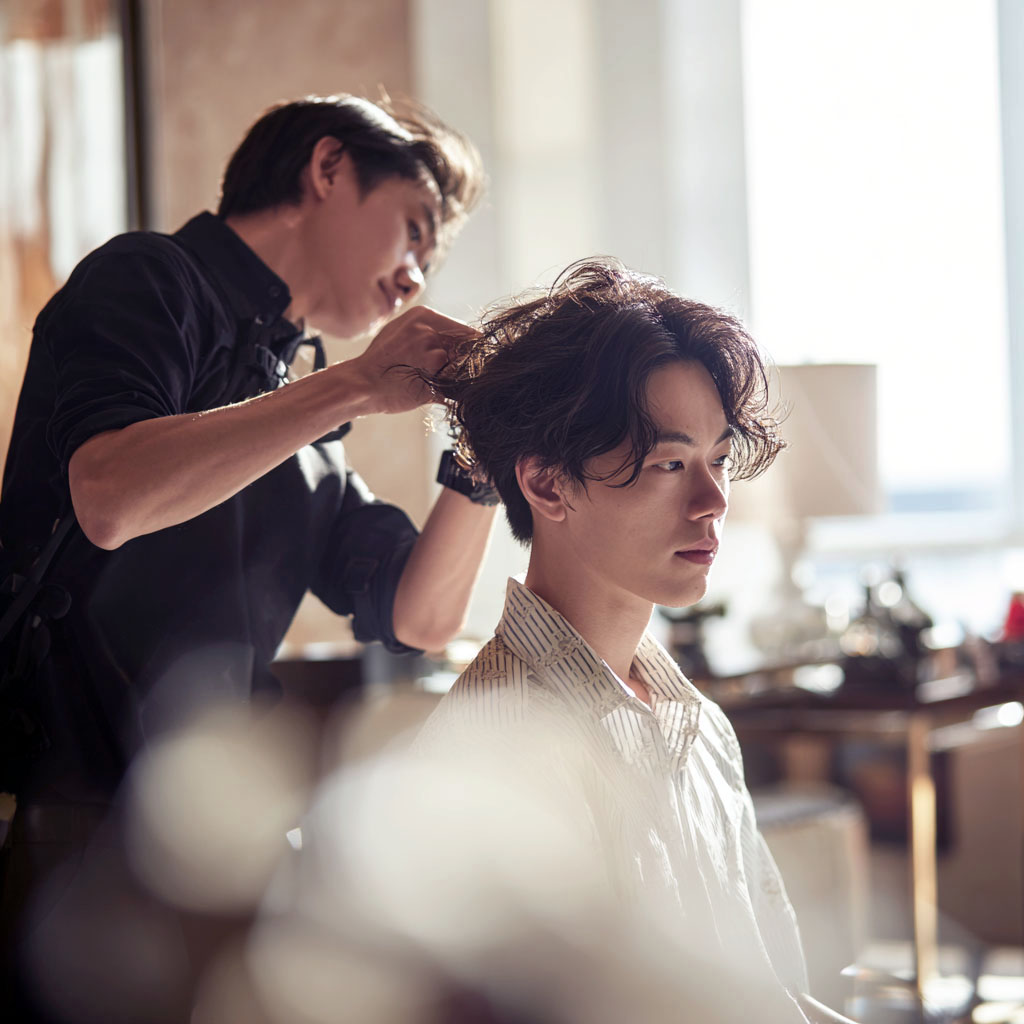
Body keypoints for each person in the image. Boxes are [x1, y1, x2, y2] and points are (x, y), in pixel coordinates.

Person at [0, 93, 494, 1018]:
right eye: (415, 231)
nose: (416, 277)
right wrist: (354, 383)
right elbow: (110, 496)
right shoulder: (147, 278)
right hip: (72, 829)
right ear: (328, 169)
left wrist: (484, 459)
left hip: (223, 843)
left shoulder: (297, 407)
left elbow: (419, 615)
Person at [415, 259, 854, 1023]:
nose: (713, 500)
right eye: (669, 464)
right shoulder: (502, 745)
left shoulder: (699, 725)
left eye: (718, 461)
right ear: (548, 485)